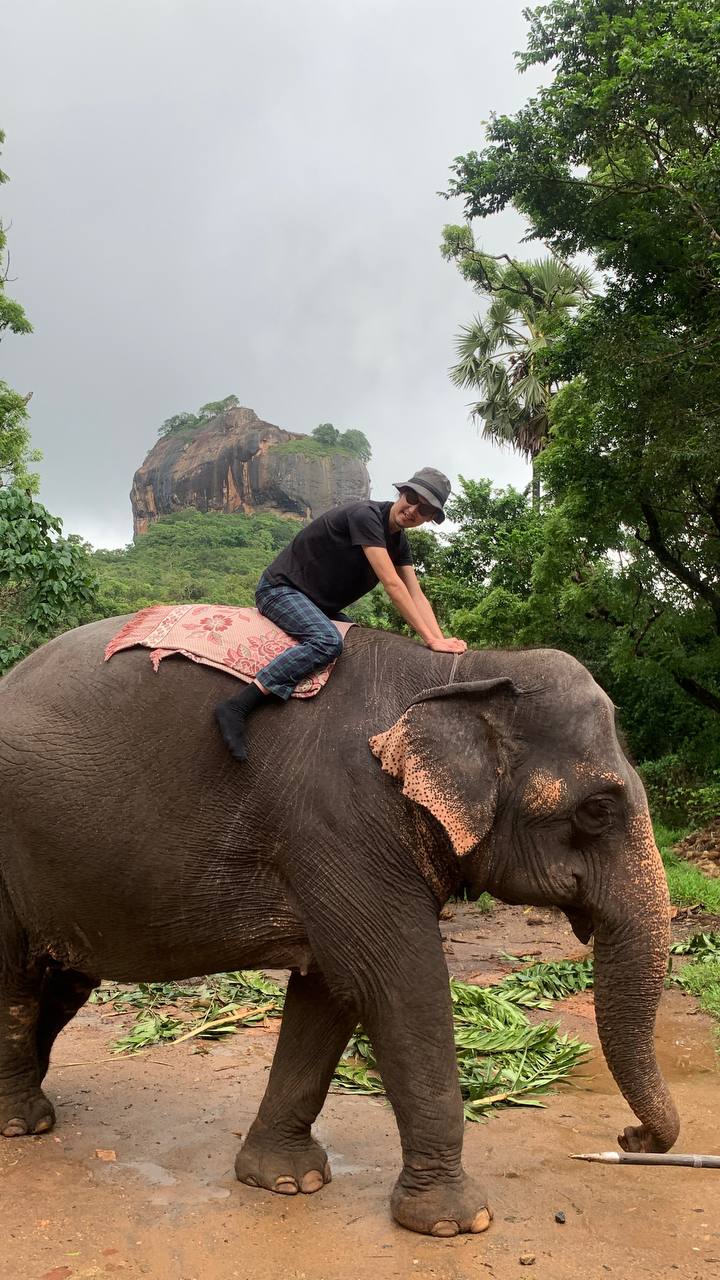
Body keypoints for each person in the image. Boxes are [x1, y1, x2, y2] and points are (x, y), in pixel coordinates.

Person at [215, 466, 467, 760]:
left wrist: (441, 641)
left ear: (428, 520)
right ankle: (239, 705)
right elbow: (393, 585)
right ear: (401, 493)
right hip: (280, 590)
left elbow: (416, 593)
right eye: (411, 497)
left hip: (318, 604)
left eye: (424, 510)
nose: (413, 510)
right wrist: (431, 640)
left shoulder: (398, 542)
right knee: (327, 641)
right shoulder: (366, 516)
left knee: (361, 642)